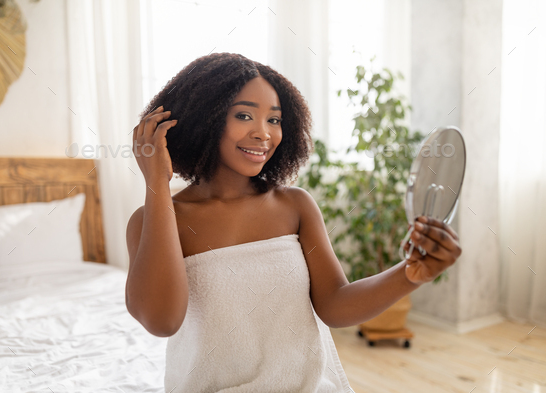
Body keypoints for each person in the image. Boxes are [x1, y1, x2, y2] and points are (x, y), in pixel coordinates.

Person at [125, 52, 462, 392]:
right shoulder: (154, 220)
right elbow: (161, 320)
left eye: (274, 120)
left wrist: (410, 274)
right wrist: (157, 183)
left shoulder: (294, 205)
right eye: (244, 115)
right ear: (203, 119)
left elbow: (334, 304)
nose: (263, 133)